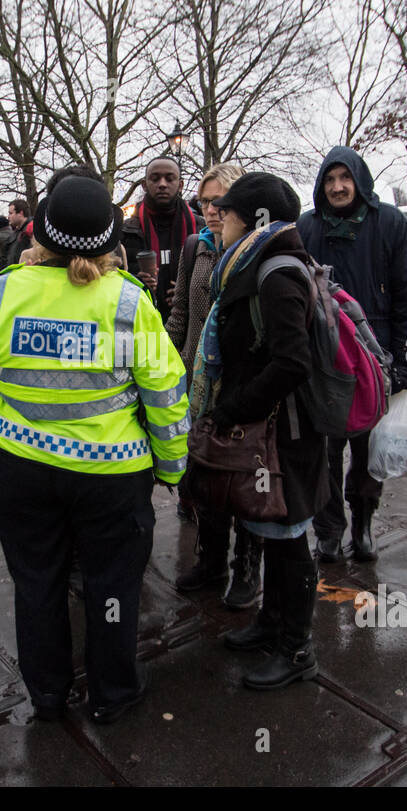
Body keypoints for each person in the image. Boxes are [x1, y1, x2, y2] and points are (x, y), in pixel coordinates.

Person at [0, 174, 189, 724]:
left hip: (24, 470)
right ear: (110, 240)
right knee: (112, 586)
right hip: (112, 477)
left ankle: (49, 695)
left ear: (39, 233)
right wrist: (172, 467)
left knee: (37, 584)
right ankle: (112, 693)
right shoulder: (129, 303)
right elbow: (165, 393)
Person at [191, 172, 330, 690]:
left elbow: (292, 363)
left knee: (290, 539)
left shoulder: (275, 272)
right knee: (274, 534)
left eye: (225, 212)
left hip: (286, 435)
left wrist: (232, 410)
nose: (217, 219)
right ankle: (272, 624)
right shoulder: (255, 263)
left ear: (253, 221)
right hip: (276, 430)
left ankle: (298, 650)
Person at [295, 146, 407, 564]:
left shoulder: (389, 223)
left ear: (359, 180)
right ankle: (329, 531)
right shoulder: (306, 227)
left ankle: (364, 523)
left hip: (376, 357)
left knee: (368, 450)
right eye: (330, 179)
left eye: (344, 178)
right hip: (324, 360)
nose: (337, 187)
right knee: (325, 453)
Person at [164, 162, 261, 607]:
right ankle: (210, 561)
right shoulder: (193, 248)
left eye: (220, 200)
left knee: (243, 479)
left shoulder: (258, 250)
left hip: (241, 384)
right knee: (204, 478)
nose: (211, 210)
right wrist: (165, 363)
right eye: (204, 201)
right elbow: (181, 313)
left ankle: (246, 568)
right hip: (195, 381)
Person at [119, 156, 199, 320]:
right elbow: (114, 280)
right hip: (142, 319)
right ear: (144, 185)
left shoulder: (202, 229)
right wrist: (137, 283)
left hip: (187, 325)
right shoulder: (125, 231)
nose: (162, 184)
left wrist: (187, 293)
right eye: (155, 179)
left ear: (181, 185)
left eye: (169, 179)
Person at [4, 198, 31, 266]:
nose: (8, 216)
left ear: (20, 213)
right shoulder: (16, 232)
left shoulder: (30, 231)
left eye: (11, 213)